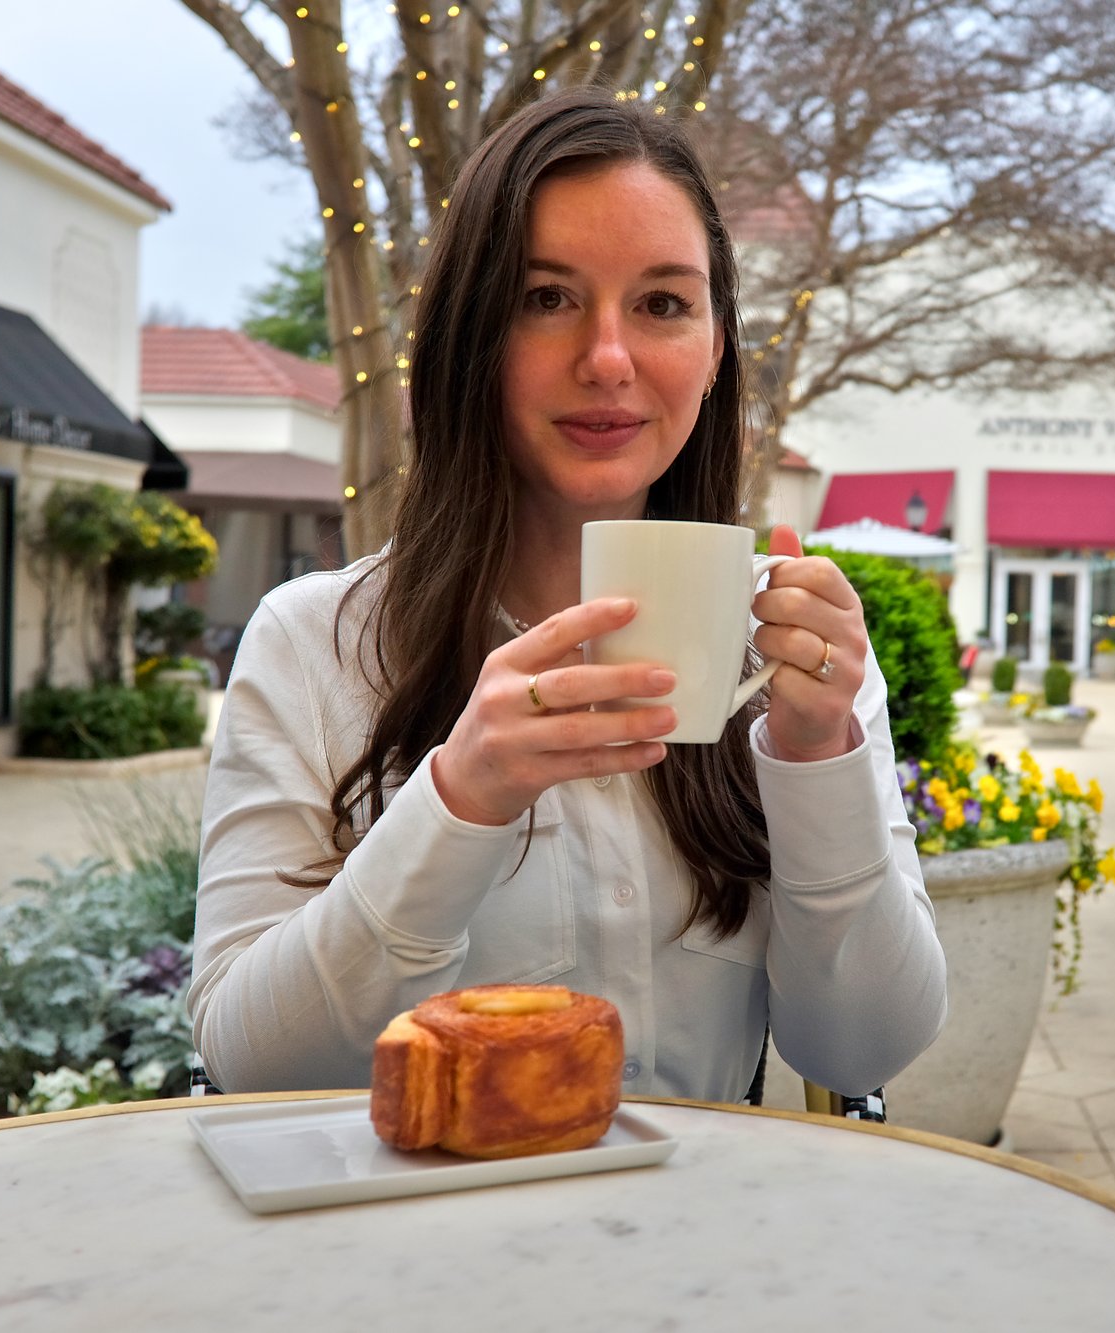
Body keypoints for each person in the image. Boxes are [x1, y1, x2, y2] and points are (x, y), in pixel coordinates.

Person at [190, 87, 947, 1102]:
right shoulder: (314, 641)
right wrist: (459, 799)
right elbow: (248, 1064)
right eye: (545, 297)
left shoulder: (787, 652)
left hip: (709, 1250)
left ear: (716, 351)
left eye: (663, 303)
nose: (606, 358)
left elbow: (862, 1051)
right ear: (471, 337)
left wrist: (817, 761)